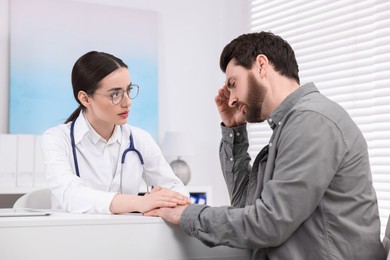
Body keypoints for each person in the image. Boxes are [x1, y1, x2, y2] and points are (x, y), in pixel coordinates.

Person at [145, 32, 386, 259]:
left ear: (261, 66)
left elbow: (269, 224)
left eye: (232, 83)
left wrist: (186, 214)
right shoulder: (290, 126)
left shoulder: (311, 120)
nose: (230, 99)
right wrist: (233, 131)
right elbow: (244, 206)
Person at [42, 51, 190, 214]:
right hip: (71, 235)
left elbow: (177, 189)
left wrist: (162, 201)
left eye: (128, 90)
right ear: (85, 98)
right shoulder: (56, 139)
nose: (127, 102)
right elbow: (70, 195)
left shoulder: (140, 139)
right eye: (115, 94)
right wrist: (139, 202)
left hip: (124, 235)